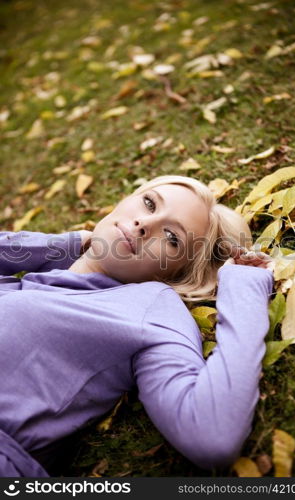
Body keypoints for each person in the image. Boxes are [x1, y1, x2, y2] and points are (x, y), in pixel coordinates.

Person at [0, 175, 274, 477]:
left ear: (177, 273)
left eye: (172, 238)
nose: (144, 223)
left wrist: (244, 288)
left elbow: (214, 435)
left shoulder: (149, 307)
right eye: (149, 202)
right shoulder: (24, 282)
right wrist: (64, 246)